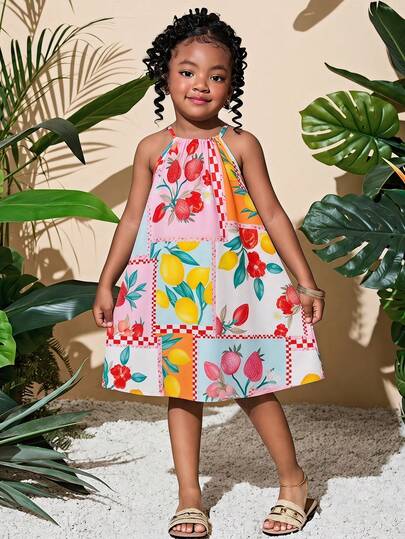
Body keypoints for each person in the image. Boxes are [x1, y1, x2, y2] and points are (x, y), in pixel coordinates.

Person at [93, 7, 326, 538]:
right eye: (188, 71)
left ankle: (294, 483)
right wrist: (108, 281)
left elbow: (272, 213)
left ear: (231, 86)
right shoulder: (152, 149)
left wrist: (304, 280)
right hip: (170, 289)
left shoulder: (240, 144)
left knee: (252, 382)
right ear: (165, 76)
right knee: (182, 387)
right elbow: (132, 218)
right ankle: (190, 496)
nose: (201, 84)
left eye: (216, 76)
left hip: (233, 289)